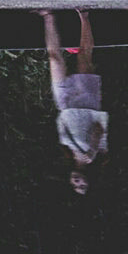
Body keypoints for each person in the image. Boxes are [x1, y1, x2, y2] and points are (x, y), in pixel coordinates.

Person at [45, 10, 106, 194]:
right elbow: (98, 128)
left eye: (75, 185)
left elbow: (61, 126)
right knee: (84, 57)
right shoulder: (96, 155)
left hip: (64, 105)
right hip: (87, 103)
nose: (78, 182)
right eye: (82, 185)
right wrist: (92, 150)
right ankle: (84, 16)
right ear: (90, 180)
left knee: (54, 59)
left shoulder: (67, 155)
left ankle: (48, 16)